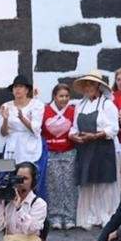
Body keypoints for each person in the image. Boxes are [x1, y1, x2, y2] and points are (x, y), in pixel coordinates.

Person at [70, 72, 120, 230]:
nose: (88, 88)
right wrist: (73, 136)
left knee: (105, 182)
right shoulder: (80, 105)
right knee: (88, 182)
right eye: (85, 85)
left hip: (104, 147)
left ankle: (107, 215)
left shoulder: (107, 105)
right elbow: (74, 127)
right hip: (85, 147)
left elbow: (113, 129)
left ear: (98, 86)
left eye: (91, 84)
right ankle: (90, 216)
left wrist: (96, 135)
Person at [39, 80, 79, 229]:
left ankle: (69, 217)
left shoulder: (73, 110)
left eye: (67, 96)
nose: (64, 99)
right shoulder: (46, 110)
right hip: (51, 152)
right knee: (53, 185)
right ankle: (55, 216)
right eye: (61, 96)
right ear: (54, 96)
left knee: (69, 185)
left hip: (68, 151)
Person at [0, 75, 43, 180]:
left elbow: (36, 129)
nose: (17, 89)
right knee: (6, 176)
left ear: (27, 90)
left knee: (27, 177)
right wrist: (5, 119)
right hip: (11, 146)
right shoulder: (6, 106)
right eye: (15, 87)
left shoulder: (37, 105)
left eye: (21, 86)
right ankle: (8, 195)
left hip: (30, 145)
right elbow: (3, 133)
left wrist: (22, 118)